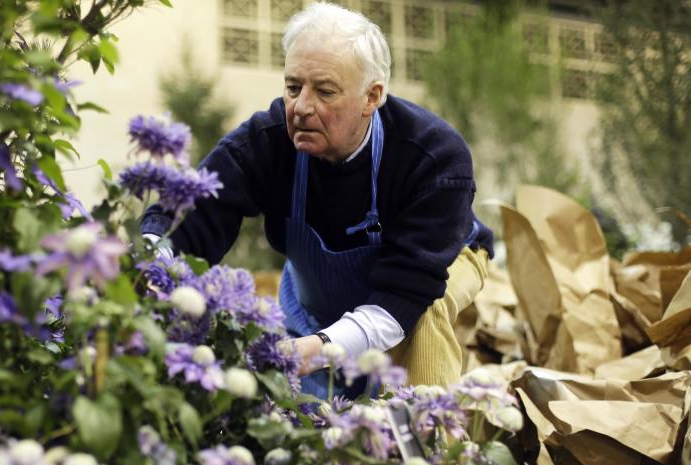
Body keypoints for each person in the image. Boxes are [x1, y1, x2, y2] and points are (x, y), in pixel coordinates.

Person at [141, 1, 493, 398]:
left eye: (324, 92)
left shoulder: (432, 156)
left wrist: (321, 348)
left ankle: (433, 445)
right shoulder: (268, 140)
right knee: (307, 415)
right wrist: (150, 266)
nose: (302, 108)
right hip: (313, 293)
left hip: (437, 263)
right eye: (293, 87)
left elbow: (406, 291)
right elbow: (191, 211)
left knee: (424, 318)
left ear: (371, 97)